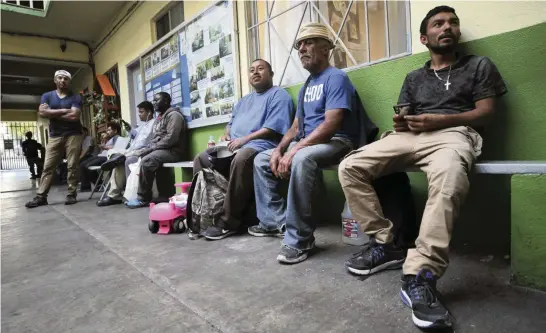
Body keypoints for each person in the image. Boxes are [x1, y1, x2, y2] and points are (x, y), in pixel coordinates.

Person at [338, 6, 507, 329]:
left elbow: (486, 112)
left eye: (453, 23)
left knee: (450, 177)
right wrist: (404, 122)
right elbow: (404, 119)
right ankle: (386, 244)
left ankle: (420, 275)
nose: (448, 27)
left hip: (455, 135)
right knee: (351, 165)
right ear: (424, 37)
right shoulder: (415, 76)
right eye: (438, 23)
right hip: (413, 137)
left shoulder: (478, 66)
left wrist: (441, 120)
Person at [250, 23, 360, 264]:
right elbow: (295, 127)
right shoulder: (306, 86)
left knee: (301, 158)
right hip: (309, 143)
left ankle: (299, 239)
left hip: (338, 141)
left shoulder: (336, 77)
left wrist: (295, 150)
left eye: (308, 42)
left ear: (325, 48)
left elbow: (332, 124)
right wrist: (279, 150)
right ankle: (279, 222)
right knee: (261, 159)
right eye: (299, 45)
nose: (302, 49)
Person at [192, 59, 294, 240]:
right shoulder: (243, 101)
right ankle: (204, 212)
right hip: (233, 146)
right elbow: (230, 124)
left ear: (271, 74)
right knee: (201, 158)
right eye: (252, 70)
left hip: (260, 146)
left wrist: (244, 140)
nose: (255, 72)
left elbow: (272, 129)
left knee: (242, 158)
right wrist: (226, 136)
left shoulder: (279, 95)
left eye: (261, 69)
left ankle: (229, 221)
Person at [25, 70, 83, 208]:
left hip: (73, 133)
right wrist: (65, 111)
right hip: (55, 135)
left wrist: (51, 114)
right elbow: (42, 113)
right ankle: (41, 196)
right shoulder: (47, 96)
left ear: (69, 82)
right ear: (55, 80)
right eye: (60, 78)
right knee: (48, 166)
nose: (63, 80)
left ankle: (71, 194)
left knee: (72, 165)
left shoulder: (75, 97)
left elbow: (74, 116)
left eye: (66, 79)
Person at [125, 92, 187, 208]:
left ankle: (143, 198)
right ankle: (163, 195)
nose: (154, 103)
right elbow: (156, 137)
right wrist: (149, 148)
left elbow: (171, 138)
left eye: (156, 100)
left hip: (174, 151)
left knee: (147, 161)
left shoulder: (174, 116)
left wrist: (152, 148)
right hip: (164, 150)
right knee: (143, 157)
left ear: (166, 102)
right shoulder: (161, 117)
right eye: (153, 100)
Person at [96, 101, 156, 206]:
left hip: (142, 151)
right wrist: (130, 130)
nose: (139, 114)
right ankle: (116, 158)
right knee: (112, 151)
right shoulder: (142, 125)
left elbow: (148, 141)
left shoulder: (154, 124)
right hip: (131, 150)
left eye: (141, 112)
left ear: (149, 112)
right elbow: (136, 137)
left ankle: (114, 195)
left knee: (121, 160)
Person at [79, 122, 121, 192]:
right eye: (107, 130)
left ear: (115, 131)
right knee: (82, 164)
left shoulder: (117, 138)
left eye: (109, 130)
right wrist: (104, 142)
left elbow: (117, 148)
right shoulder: (110, 138)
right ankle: (86, 186)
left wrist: (105, 147)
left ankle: (98, 184)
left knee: (87, 165)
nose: (108, 132)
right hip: (101, 156)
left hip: (106, 157)